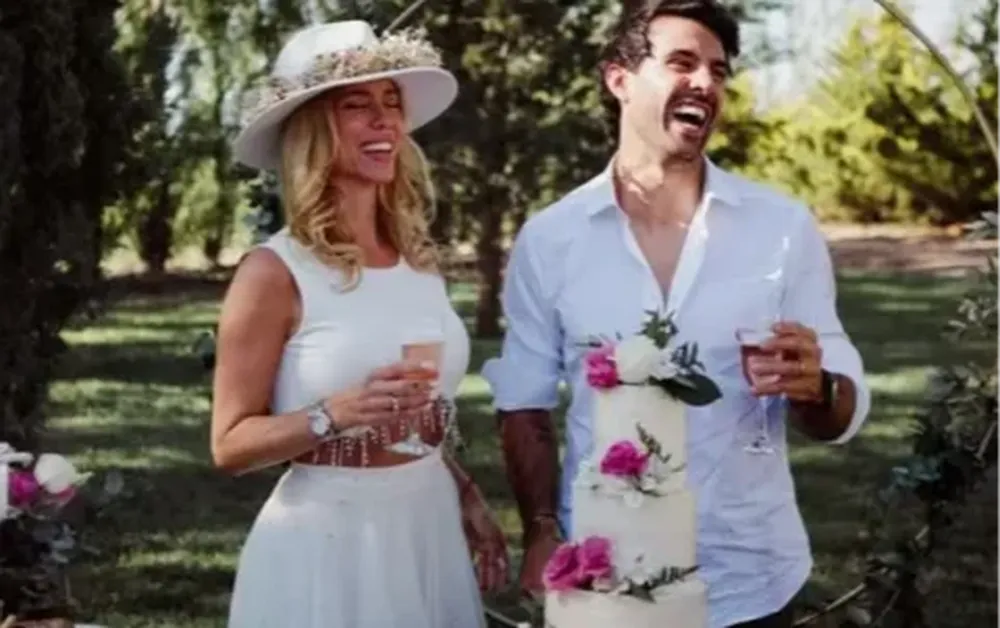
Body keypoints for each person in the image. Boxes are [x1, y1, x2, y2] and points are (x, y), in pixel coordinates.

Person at [482, 2, 871, 627]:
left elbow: (841, 410)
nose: (705, 85)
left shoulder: (782, 228)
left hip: (751, 576)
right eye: (682, 63)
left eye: (718, 72)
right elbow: (524, 403)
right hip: (606, 578)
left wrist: (817, 387)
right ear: (620, 79)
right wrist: (540, 529)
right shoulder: (550, 238)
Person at [211, 20, 508, 628]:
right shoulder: (274, 272)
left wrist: (464, 491)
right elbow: (229, 445)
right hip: (329, 542)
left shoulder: (420, 261)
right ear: (313, 132)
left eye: (392, 103)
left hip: (426, 525)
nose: (385, 122)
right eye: (358, 106)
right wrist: (333, 413)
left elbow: (413, 411)